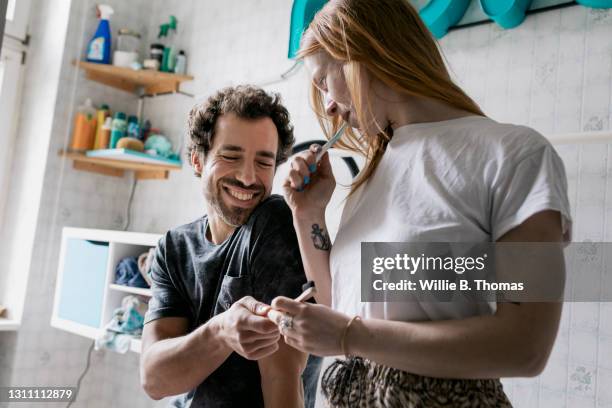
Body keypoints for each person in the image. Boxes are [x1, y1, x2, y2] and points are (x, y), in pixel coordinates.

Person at [266, 0, 572, 406]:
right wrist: (307, 214)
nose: (329, 107)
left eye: (324, 82)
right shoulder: (373, 175)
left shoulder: (515, 153)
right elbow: (338, 309)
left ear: (364, 52)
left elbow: (526, 345)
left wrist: (348, 336)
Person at [140, 85, 320, 407]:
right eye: (231, 156)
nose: (249, 177)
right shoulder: (174, 247)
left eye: (264, 162)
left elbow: (282, 379)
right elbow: (154, 379)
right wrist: (221, 331)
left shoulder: (273, 222)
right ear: (197, 161)